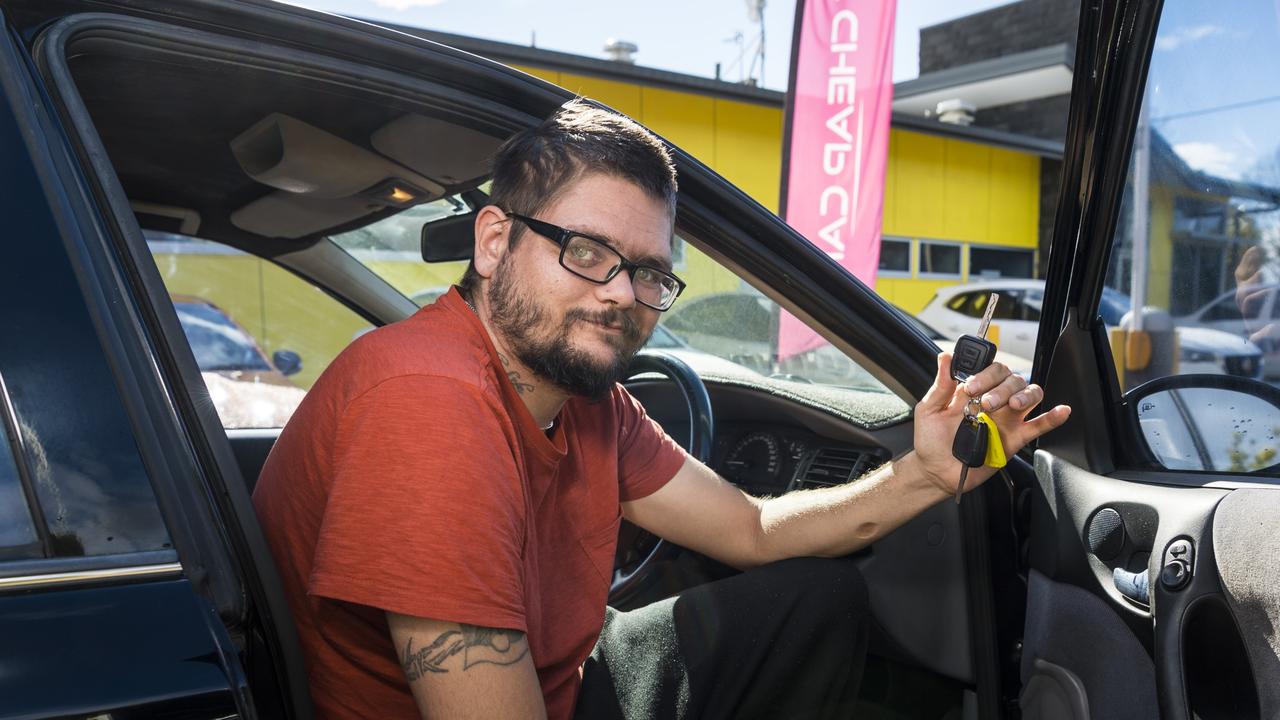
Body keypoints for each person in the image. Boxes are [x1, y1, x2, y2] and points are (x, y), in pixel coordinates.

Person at [252, 99, 1071, 720]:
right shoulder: (428, 403)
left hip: (565, 674)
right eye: (586, 252)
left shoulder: (585, 396)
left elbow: (752, 531)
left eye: (648, 272)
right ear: (495, 240)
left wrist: (926, 471)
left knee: (818, 601)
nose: (619, 296)